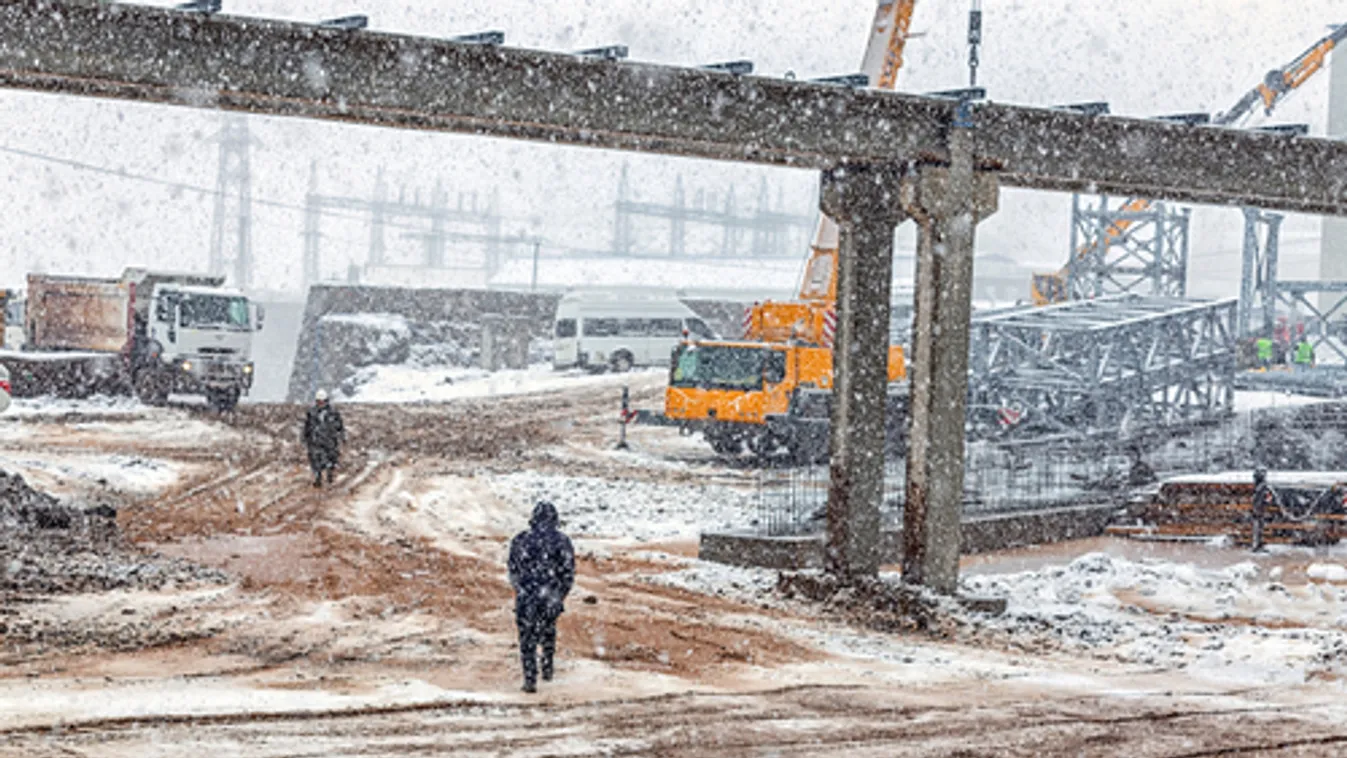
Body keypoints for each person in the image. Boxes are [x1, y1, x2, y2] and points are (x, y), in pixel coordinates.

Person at [507, 501, 575, 693]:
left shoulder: (520, 540)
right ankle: (547, 667)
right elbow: (568, 573)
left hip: (527, 595)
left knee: (526, 636)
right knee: (548, 630)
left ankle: (530, 678)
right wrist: (559, 595)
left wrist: (522, 589)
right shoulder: (562, 541)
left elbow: (513, 570)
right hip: (550, 595)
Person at [301, 389, 345, 487]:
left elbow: (340, 426)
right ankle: (318, 477)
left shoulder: (333, 412)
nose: (320, 403)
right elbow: (307, 426)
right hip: (315, 440)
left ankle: (329, 474)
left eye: (322, 401)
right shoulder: (311, 413)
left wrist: (341, 436)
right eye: (318, 401)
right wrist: (305, 437)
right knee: (315, 460)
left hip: (330, 441)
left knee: (331, 459)